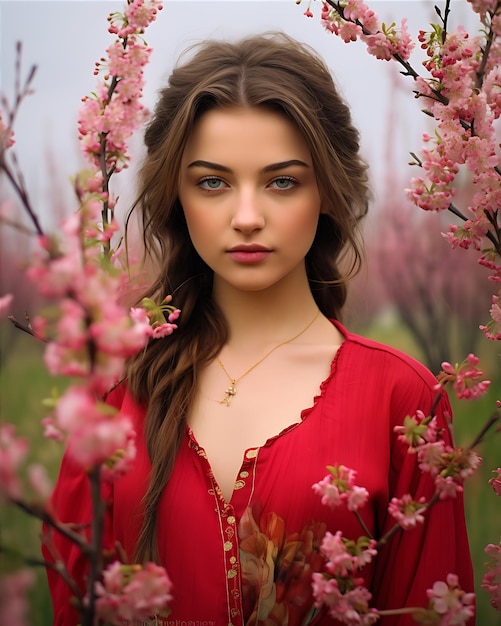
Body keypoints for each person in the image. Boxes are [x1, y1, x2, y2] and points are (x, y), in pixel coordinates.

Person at [45, 32, 474, 625]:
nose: (247, 217)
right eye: (213, 182)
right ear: (177, 195)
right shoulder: (114, 388)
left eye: (281, 181)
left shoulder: (401, 400)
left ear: (326, 190)